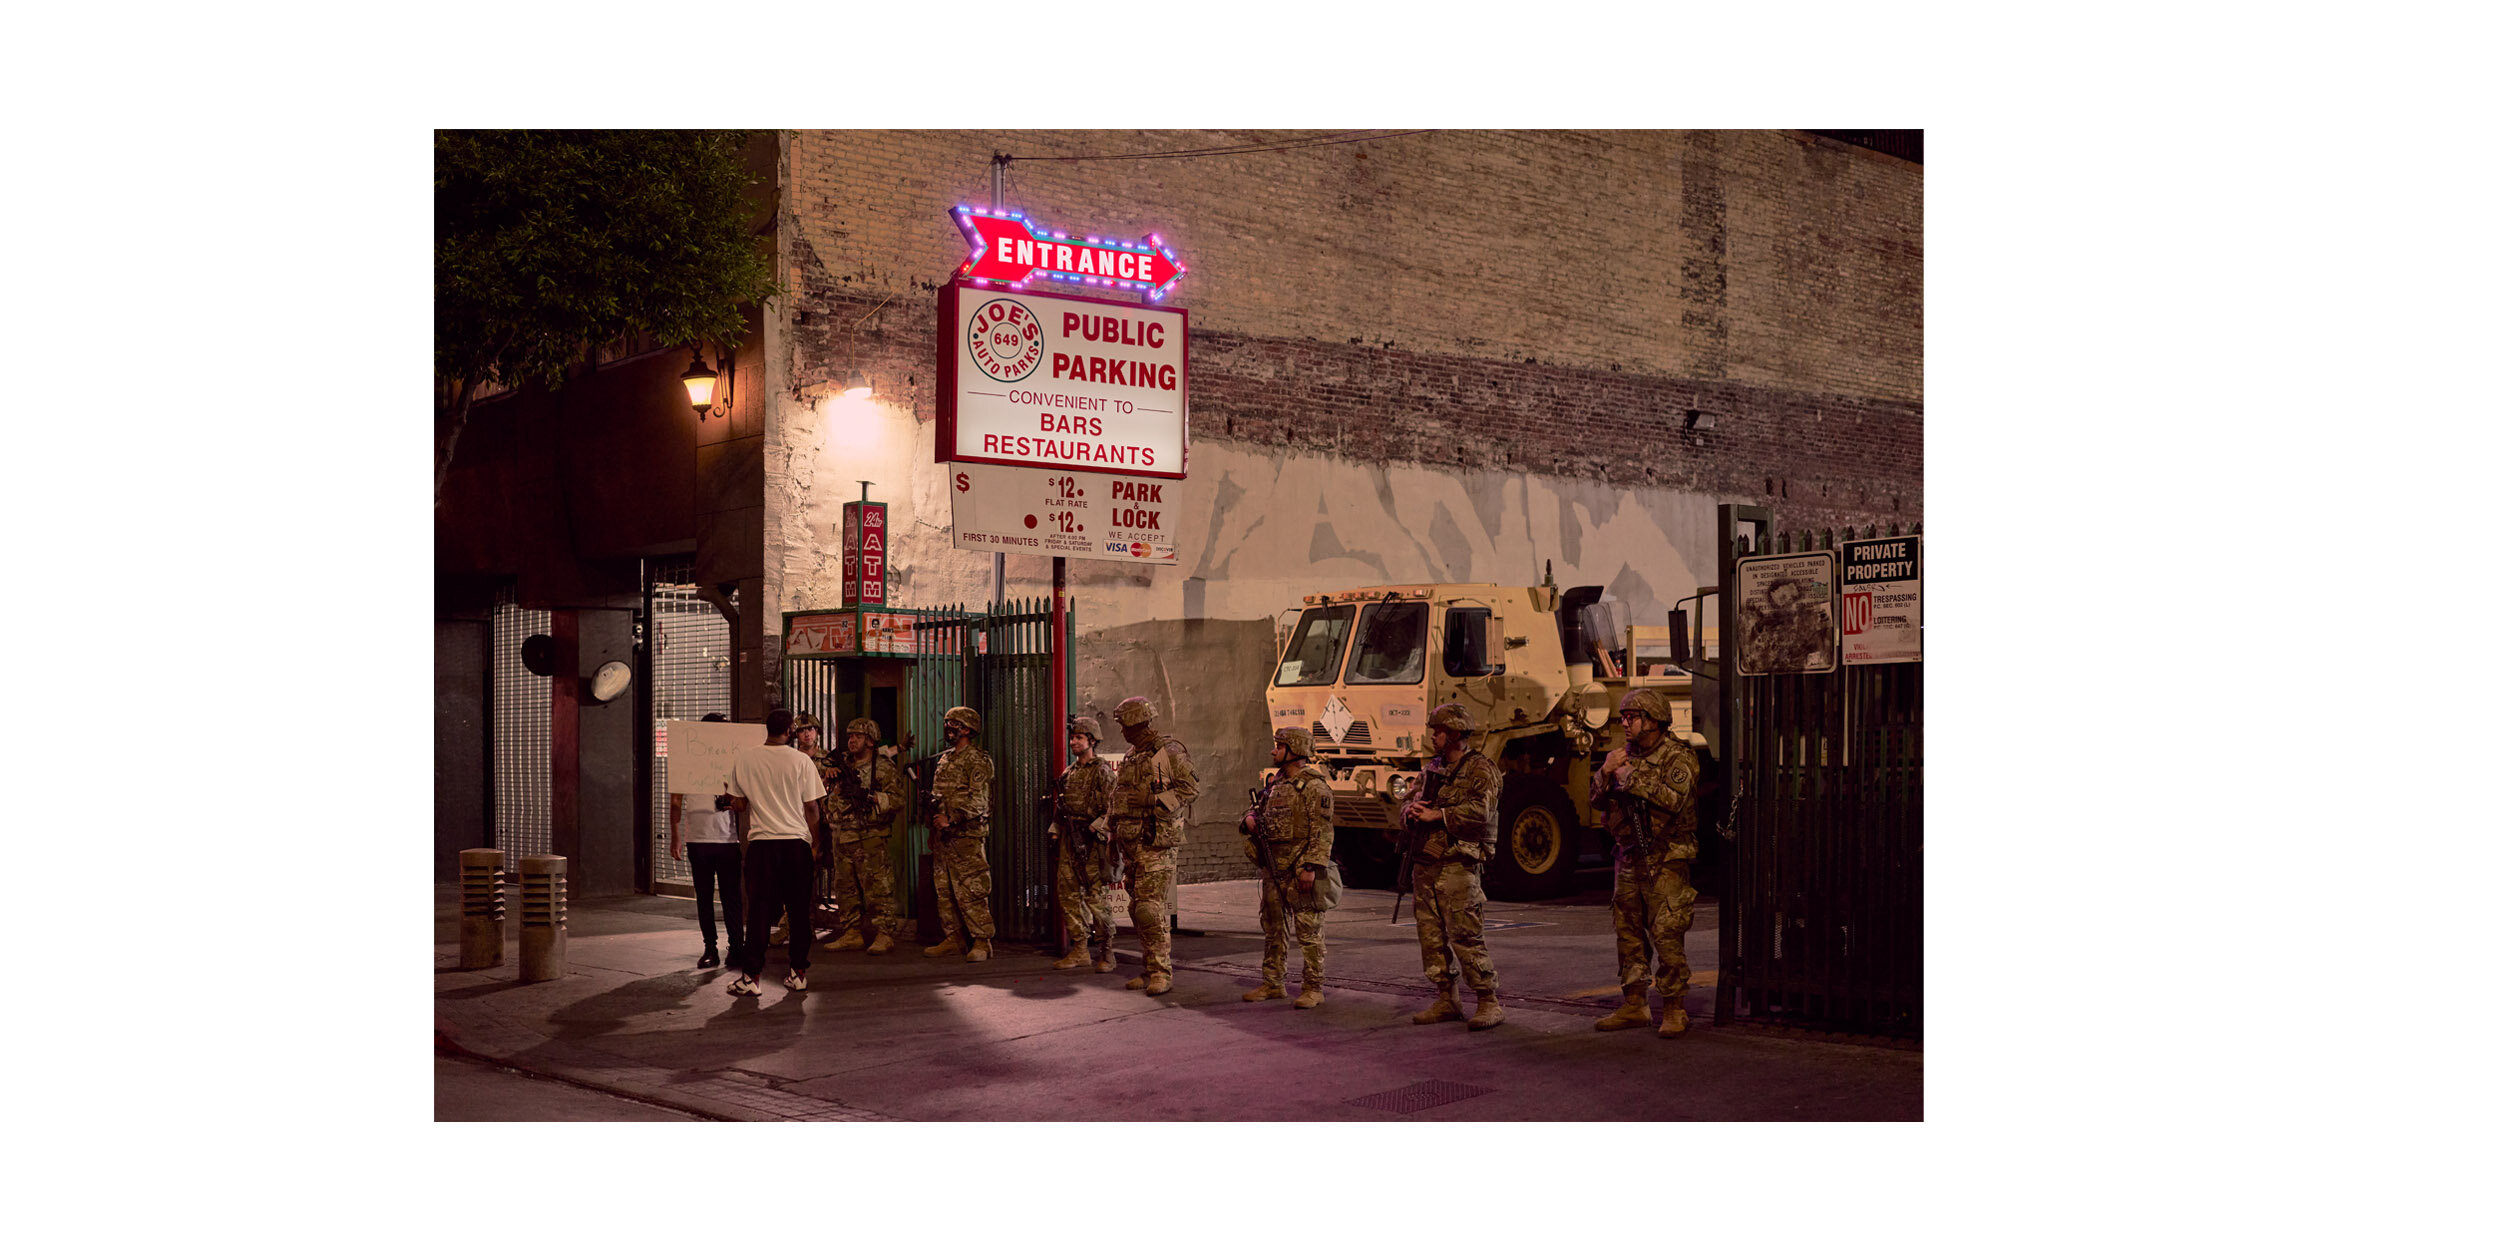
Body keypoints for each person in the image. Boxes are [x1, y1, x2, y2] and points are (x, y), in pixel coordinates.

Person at [1590, 687, 1704, 1037]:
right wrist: (1606, 773)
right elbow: (1595, 800)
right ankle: (1635, 1004)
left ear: (1653, 721)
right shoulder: (1624, 755)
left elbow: (1672, 799)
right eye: (1623, 717)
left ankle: (1674, 1007)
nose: (1625, 723)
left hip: (1666, 856)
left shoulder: (1678, 758)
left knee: (1667, 932)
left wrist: (1629, 778)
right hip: (1627, 856)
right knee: (1627, 933)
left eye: (1632, 717)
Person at [1396, 703, 1506, 1030]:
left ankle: (1488, 1001)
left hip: (1458, 864)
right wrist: (1411, 810)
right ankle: (1447, 997)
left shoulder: (1481, 769)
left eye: (1439, 731)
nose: (1433, 736)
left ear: (1455, 734)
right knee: (1430, 937)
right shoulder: (1432, 769)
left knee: (1465, 935)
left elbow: (1481, 811)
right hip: (1426, 863)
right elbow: (1407, 803)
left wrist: (1439, 816)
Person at [724, 708, 826, 997]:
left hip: (762, 845)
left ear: (766, 729)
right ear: (790, 730)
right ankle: (798, 973)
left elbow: (740, 805)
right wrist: (815, 842)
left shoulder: (744, 758)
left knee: (758, 911)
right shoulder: (802, 761)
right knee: (798, 911)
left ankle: (751, 977)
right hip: (796, 844)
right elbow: (812, 808)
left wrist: (732, 799)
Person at [1109, 696, 1198, 996]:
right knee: (1137, 908)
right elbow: (1118, 798)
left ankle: (1161, 972)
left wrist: (1150, 801)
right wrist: (1111, 835)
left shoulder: (1165, 752)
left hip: (1156, 842)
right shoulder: (1133, 756)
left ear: (1137, 724)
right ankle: (1149, 970)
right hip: (1132, 843)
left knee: (1148, 908)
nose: (1122, 731)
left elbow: (1188, 791)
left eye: (1124, 725)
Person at [1240, 727, 1332, 1008]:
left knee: (1308, 931)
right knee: (1273, 928)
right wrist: (1249, 820)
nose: (1273, 751)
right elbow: (1256, 812)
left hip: (1299, 869)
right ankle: (1273, 983)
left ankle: (1313, 987)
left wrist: (1311, 867)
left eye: (1278, 746)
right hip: (1274, 869)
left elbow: (1323, 832)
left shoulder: (1315, 787)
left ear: (1294, 750)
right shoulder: (1274, 785)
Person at [816, 717, 909, 954]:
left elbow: (898, 800)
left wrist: (876, 798)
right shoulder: (841, 764)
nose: (852, 740)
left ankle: (884, 933)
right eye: (850, 736)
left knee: (877, 887)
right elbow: (812, 772)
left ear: (870, 740)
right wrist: (827, 774)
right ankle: (852, 932)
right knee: (845, 888)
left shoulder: (884, 767)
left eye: (857, 736)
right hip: (841, 835)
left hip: (870, 836)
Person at [668, 712, 743, 969]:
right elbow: (675, 801)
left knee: (732, 896)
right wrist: (676, 836)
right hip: (698, 838)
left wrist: (731, 799)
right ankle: (710, 947)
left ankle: (736, 948)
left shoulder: (734, 761)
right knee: (704, 896)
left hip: (728, 839)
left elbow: (744, 802)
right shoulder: (687, 761)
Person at [923, 706, 998, 961]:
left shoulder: (977, 760)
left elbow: (979, 800)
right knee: (944, 890)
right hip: (944, 837)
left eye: (954, 724)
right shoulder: (946, 759)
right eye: (946, 723)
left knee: (972, 888)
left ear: (967, 729)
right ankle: (953, 938)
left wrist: (952, 818)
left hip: (967, 836)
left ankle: (981, 940)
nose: (948, 728)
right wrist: (934, 826)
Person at [1049, 716, 1121, 973]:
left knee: (1096, 898)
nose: (1073, 742)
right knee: (1067, 894)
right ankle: (1080, 949)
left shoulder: (1102, 772)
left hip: (1091, 843)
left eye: (1079, 738)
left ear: (1092, 740)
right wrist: (1056, 832)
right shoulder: (1070, 773)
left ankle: (1106, 952)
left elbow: (1114, 808)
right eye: (1072, 738)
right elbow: (1061, 809)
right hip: (1070, 840)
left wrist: (1097, 825)